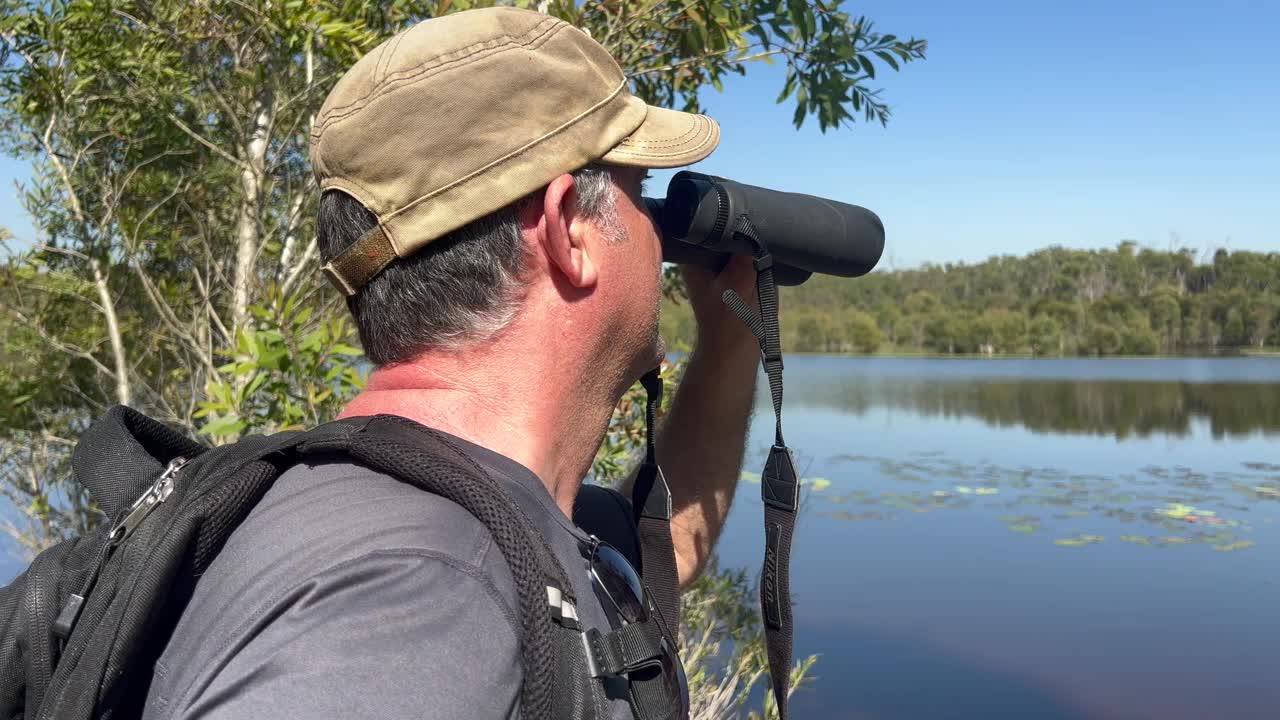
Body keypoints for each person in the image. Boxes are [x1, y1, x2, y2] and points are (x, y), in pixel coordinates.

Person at [140, 7, 758, 720]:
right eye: (641, 195)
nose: (657, 234)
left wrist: (729, 339)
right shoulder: (417, 591)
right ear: (567, 231)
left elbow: (660, 557)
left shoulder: (446, 507)